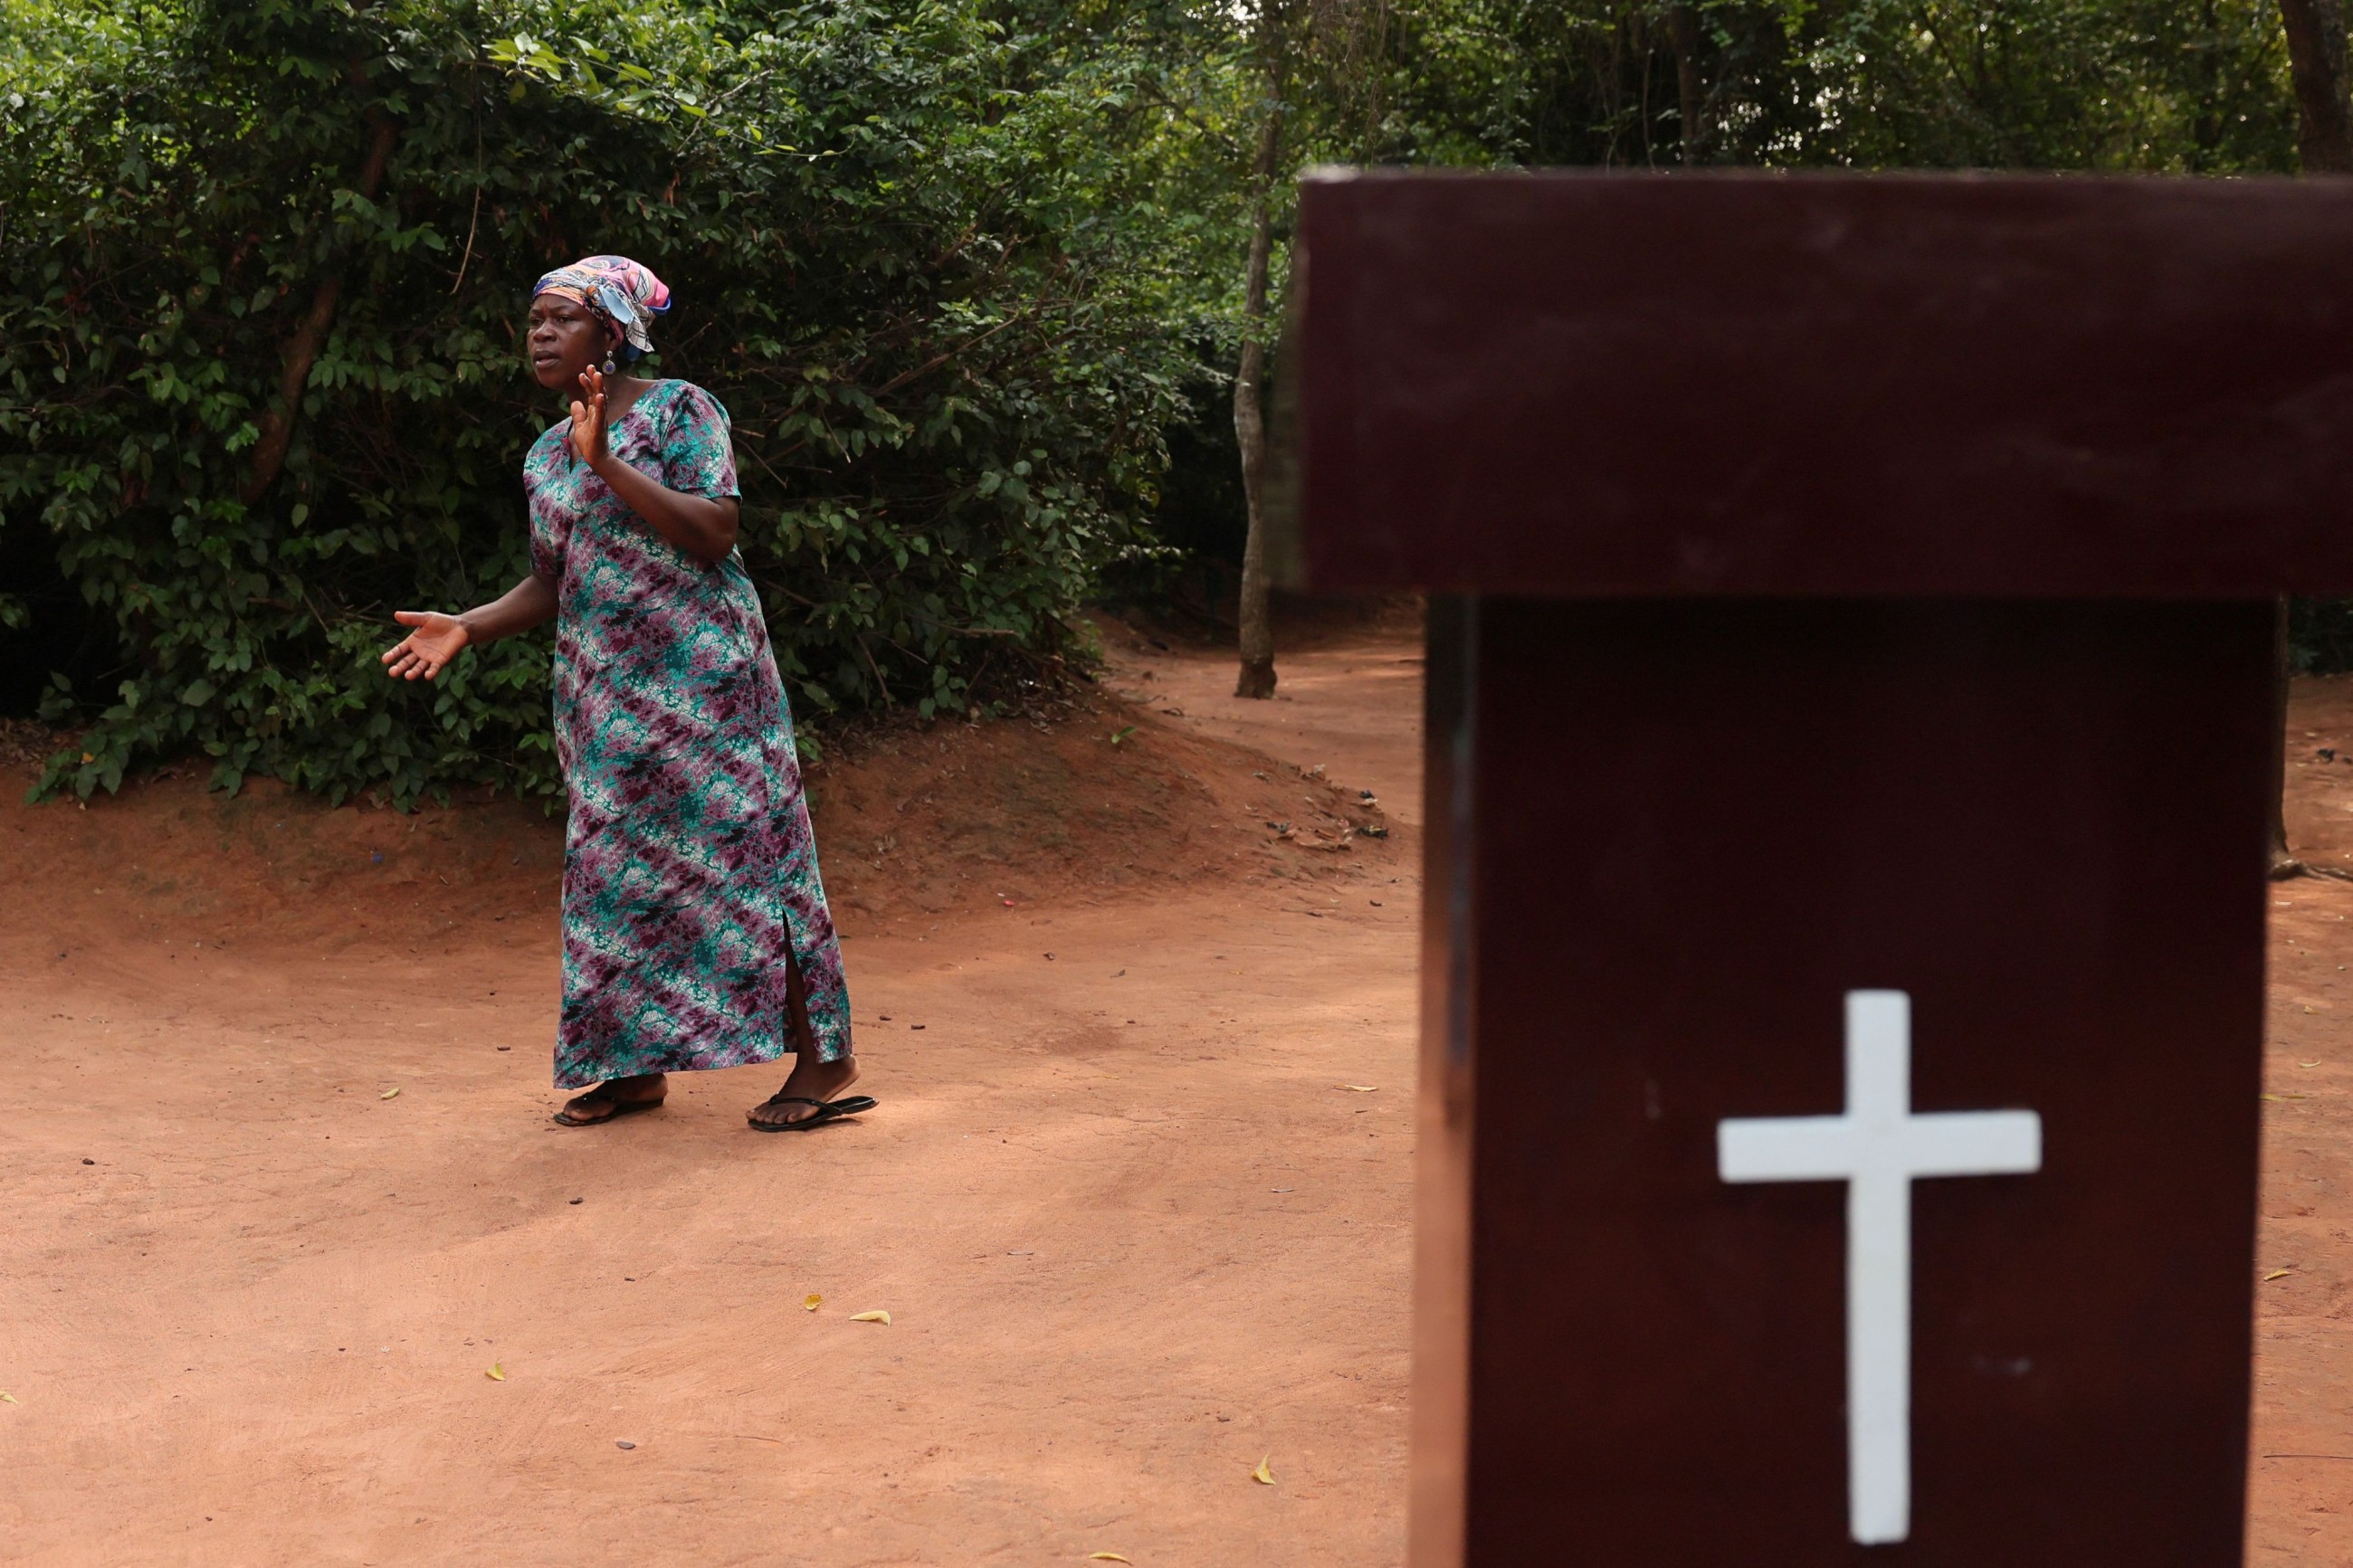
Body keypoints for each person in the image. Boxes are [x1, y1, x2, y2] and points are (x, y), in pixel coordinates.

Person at [380, 255, 872, 1133]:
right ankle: (630, 1065)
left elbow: (715, 531)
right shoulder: (544, 455)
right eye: (533, 319)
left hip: (711, 688)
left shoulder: (682, 409)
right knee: (616, 879)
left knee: (755, 861)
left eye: (561, 319)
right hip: (603, 700)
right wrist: (467, 623)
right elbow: (550, 582)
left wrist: (604, 460)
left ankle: (823, 1057)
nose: (539, 333)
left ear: (610, 332)